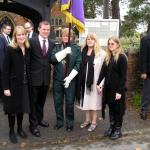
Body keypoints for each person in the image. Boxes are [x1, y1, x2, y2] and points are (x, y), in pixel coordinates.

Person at [2, 26, 31, 144]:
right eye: (18, 35)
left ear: (26, 35)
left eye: (23, 34)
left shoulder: (28, 48)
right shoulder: (10, 49)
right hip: (13, 85)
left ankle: (19, 129)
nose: (21, 37)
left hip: (25, 84)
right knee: (12, 110)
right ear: (15, 36)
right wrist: (5, 88)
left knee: (21, 108)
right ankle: (11, 131)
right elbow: (5, 70)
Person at [51, 28, 82, 131]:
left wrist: (70, 77)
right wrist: (64, 52)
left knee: (69, 103)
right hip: (57, 80)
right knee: (58, 102)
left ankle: (69, 123)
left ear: (72, 37)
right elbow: (52, 59)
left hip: (70, 81)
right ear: (62, 36)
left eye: (68, 35)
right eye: (64, 35)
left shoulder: (76, 49)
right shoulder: (57, 47)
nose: (66, 37)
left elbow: (78, 64)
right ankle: (59, 122)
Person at [97, 37, 127, 140]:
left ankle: (118, 130)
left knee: (118, 110)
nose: (110, 45)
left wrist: (119, 91)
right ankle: (112, 127)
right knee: (111, 108)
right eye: (109, 44)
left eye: (112, 44)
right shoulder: (108, 57)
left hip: (117, 89)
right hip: (108, 89)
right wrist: (99, 83)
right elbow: (103, 72)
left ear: (118, 45)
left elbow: (123, 77)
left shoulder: (122, 58)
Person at [29, 21, 55, 137]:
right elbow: (28, 60)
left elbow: (52, 59)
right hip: (34, 78)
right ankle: (33, 125)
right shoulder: (31, 42)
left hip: (46, 77)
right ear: (38, 29)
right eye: (44, 29)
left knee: (41, 101)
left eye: (48, 30)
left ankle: (40, 119)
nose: (46, 31)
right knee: (33, 103)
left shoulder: (52, 43)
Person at [76, 33, 105, 132]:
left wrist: (101, 84)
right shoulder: (83, 51)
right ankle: (87, 120)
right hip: (84, 81)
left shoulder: (101, 53)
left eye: (92, 39)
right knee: (86, 102)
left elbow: (104, 70)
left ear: (95, 41)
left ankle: (94, 122)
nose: (89, 41)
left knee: (94, 103)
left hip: (94, 82)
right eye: (88, 39)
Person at [139, 34, 150, 120]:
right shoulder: (145, 39)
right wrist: (143, 71)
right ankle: (144, 110)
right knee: (147, 92)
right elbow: (142, 57)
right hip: (148, 72)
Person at [0, 24, 12, 100]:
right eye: (8, 29)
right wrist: (2, 67)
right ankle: (3, 97)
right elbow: (1, 53)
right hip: (3, 65)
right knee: (2, 81)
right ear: (3, 29)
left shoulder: (9, 38)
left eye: (10, 29)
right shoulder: (1, 38)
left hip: (8, 64)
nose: (9, 31)